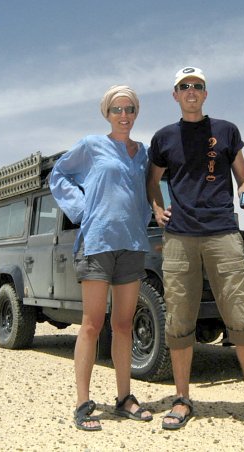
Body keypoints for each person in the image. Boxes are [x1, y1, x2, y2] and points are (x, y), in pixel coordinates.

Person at [146, 67, 244, 432]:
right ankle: (182, 399)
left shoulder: (226, 131)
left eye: (197, 86)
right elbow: (152, 180)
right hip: (179, 238)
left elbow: (243, 177)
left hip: (222, 233)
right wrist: (157, 207)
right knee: (179, 319)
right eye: (184, 86)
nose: (191, 91)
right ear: (174, 94)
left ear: (206, 93)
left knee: (240, 315)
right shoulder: (163, 138)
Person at [50, 85, 153, 431]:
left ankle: (124, 397)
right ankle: (82, 402)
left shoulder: (144, 154)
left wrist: (147, 218)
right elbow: (58, 174)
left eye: (129, 109)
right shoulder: (92, 146)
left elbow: (150, 192)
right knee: (92, 324)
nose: (124, 116)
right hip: (96, 243)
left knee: (123, 325)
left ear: (136, 113)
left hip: (132, 246)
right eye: (116, 110)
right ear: (107, 114)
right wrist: (81, 209)